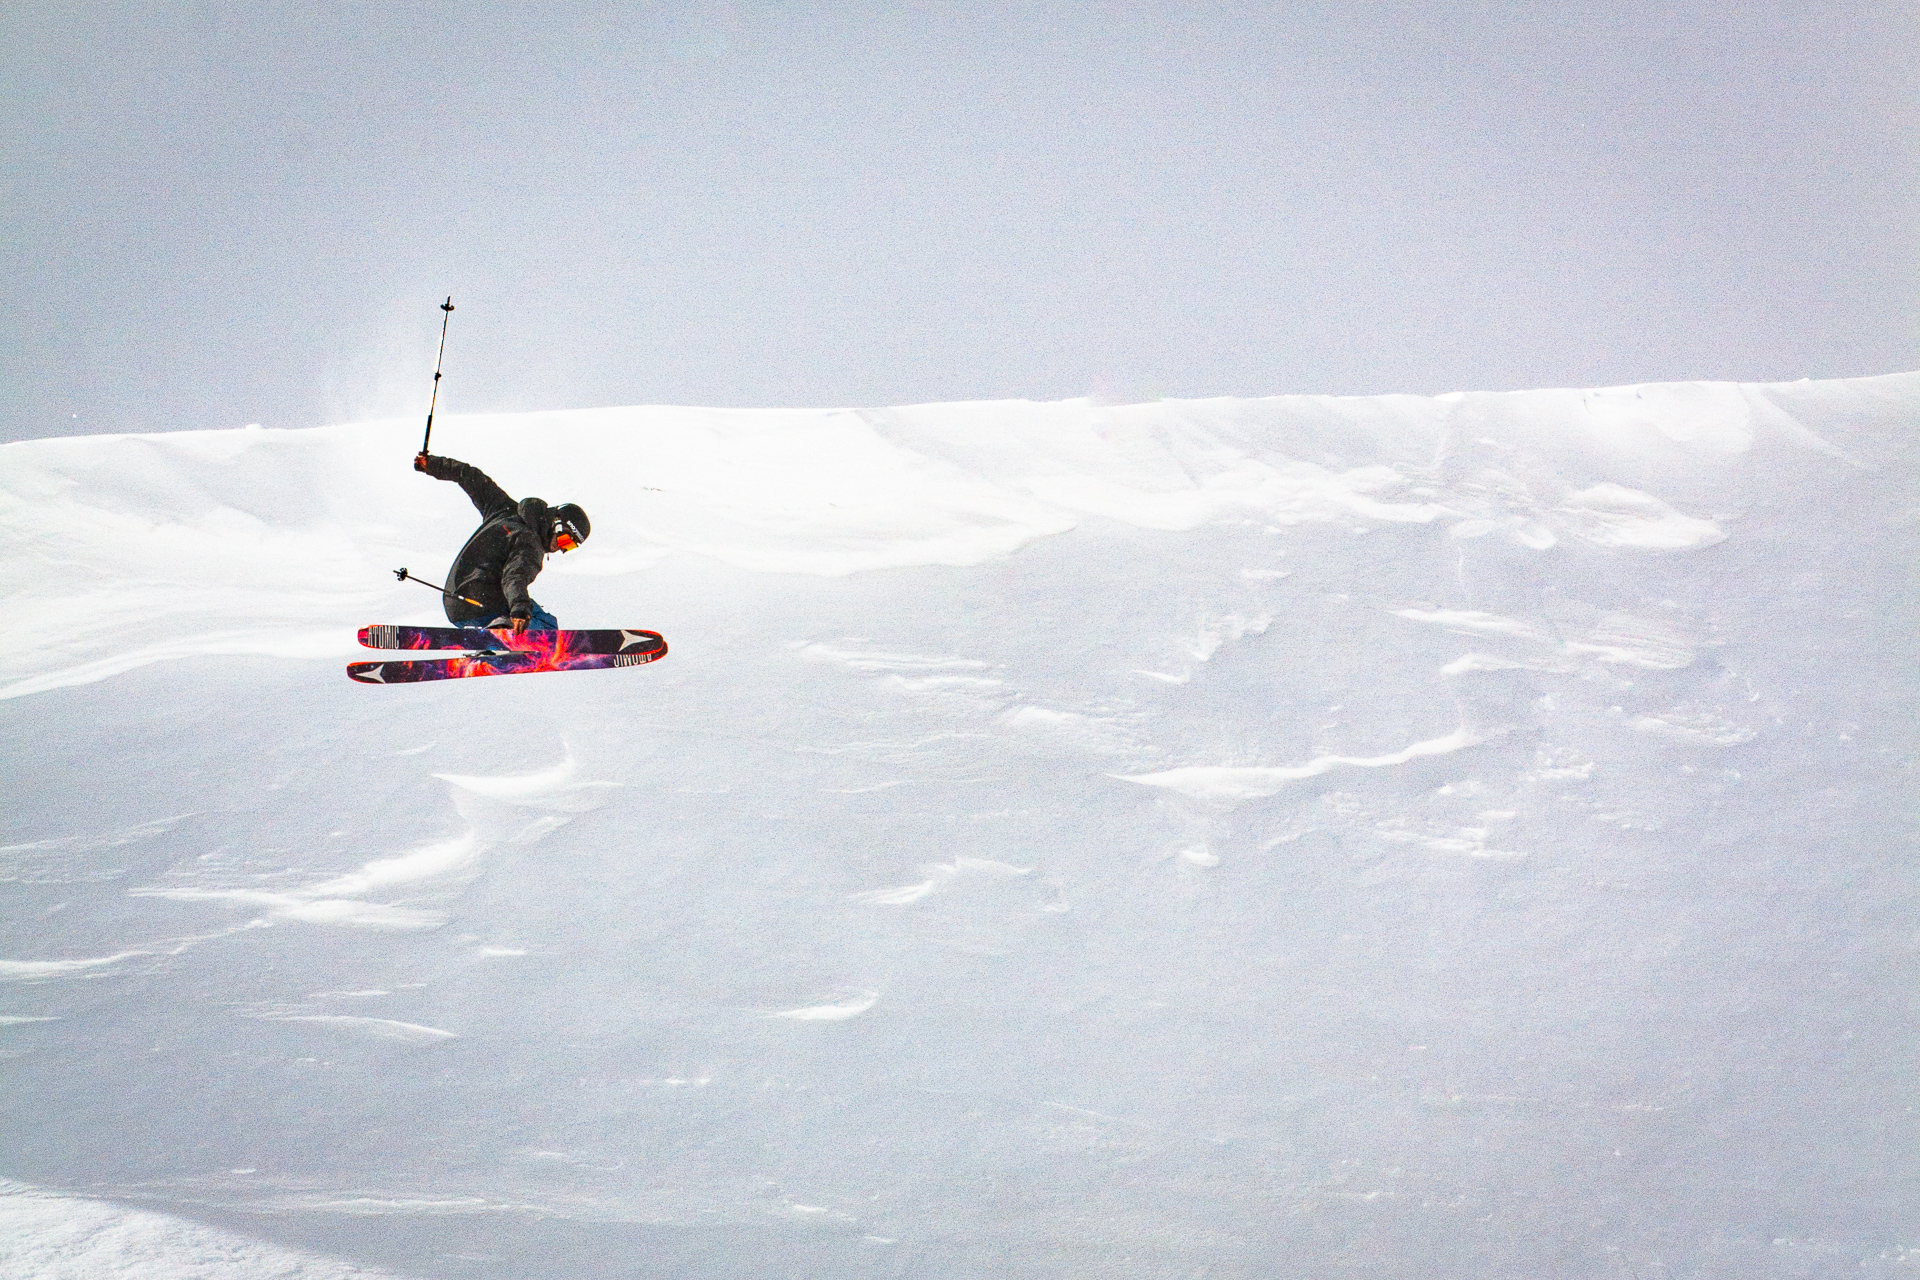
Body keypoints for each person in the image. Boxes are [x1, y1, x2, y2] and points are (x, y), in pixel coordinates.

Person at [413, 452, 590, 632]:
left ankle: (493, 642)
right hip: (482, 605)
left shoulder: (503, 508)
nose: (560, 548)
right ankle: (505, 638)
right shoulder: (531, 542)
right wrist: (519, 608)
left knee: (533, 612)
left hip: (455, 602)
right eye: (565, 539)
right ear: (556, 524)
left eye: (570, 546)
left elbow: (470, 477)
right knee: (546, 627)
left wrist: (433, 465)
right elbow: (515, 576)